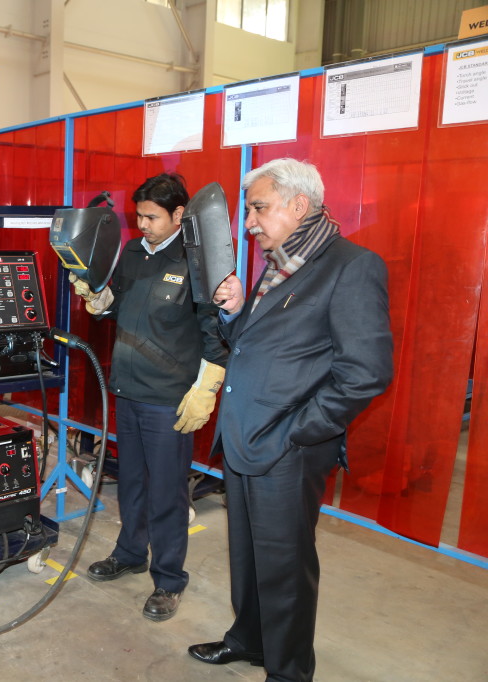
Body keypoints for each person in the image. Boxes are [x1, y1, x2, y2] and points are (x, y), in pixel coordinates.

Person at [188, 158, 393, 681]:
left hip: (288, 448)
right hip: (246, 439)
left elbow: (365, 372)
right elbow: (259, 347)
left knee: (286, 570)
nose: (250, 222)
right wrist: (236, 313)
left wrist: (297, 432)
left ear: (299, 205)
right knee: (250, 557)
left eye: (259, 207)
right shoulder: (280, 263)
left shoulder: (351, 266)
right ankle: (250, 640)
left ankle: (289, 671)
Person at [72, 173, 228, 621]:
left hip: (168, 399)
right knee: (133, 482)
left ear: (179, 214)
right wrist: (99, 299)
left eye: (151, 217)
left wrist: (207, 387)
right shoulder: (135, 254)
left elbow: (213, 330)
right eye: (138, 215)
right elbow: (117, 306)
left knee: (167, 492)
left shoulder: (197, 260)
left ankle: (168, 579)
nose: (142, 224)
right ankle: (129, 553)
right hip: (128, 387)